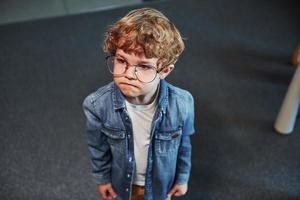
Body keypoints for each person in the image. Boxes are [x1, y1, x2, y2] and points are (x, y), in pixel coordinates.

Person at [82, 7, 195, 200]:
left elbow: (184, 146)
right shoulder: (96, 105)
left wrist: (182, 178)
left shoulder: (183, 103)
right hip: (125, 184)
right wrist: (102, 179)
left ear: (165, 70)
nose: (127, 74)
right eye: (121, 61)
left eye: (143, 66)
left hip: (161, 185)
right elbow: (98, 148)